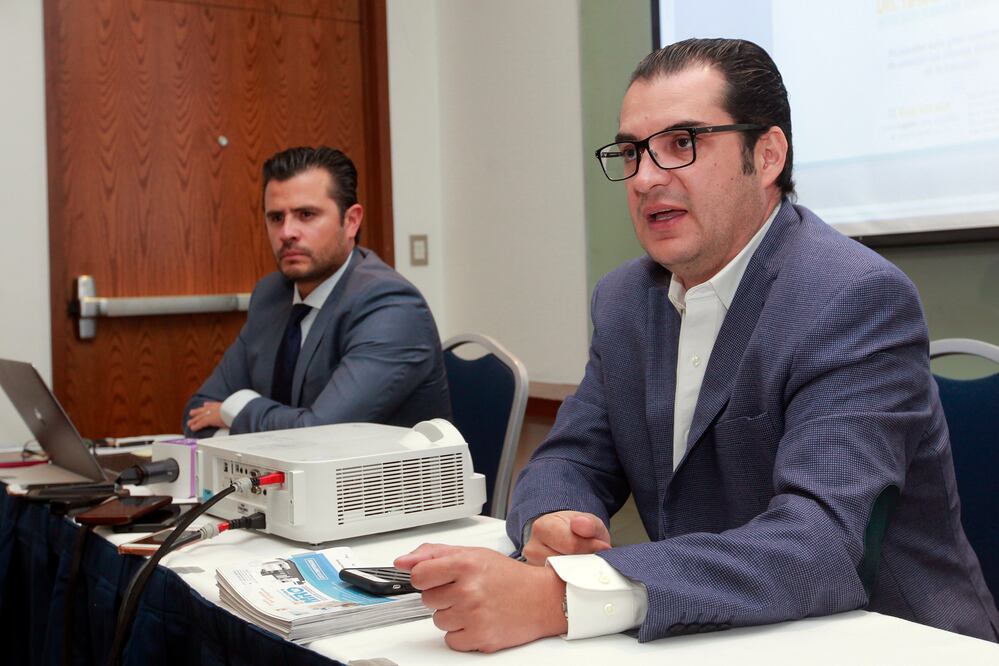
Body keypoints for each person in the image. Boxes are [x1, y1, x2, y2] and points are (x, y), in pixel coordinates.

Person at [394, 39, 999, 652]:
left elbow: (819, 545)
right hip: (709, 636)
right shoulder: (625, 301)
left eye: (682, 143)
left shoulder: (853, 296)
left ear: (767, 155)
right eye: (631, 152)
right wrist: (556, 518)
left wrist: (567, 596)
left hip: (888, 641)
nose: (645, 178)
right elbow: (570, 459)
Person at [184, 146, 451, 437]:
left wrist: (235, 409)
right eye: (276, 218)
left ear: (351, 221)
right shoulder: (271, 295)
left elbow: (319, 434)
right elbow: (197, 413)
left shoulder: (391, 306)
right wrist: (245, 419)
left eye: (306, 214)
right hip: (291, 467)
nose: (287, 232)